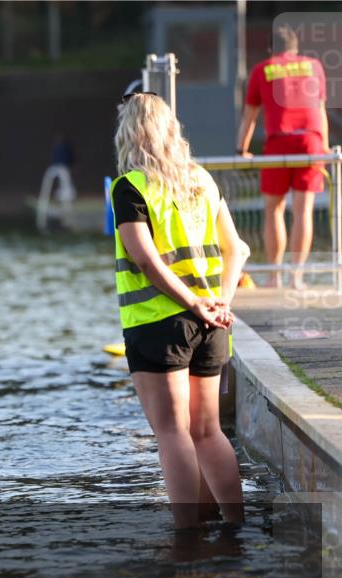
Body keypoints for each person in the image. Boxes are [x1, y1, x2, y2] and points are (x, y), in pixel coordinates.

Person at [111, 93, 246, 529]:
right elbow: (237, 250)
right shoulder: (201, 180)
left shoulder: (130, 186)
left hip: (159, 324)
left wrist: (192, 303)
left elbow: (147, 261)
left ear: (129, 134)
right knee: (208, 432)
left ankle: (186, 539)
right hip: (211, 324)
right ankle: (233, 527)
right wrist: (218, 303)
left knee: (171, 433)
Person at [236, 26, 330, 287]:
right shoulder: (314, 66)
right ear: (296, 48)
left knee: (273, 210)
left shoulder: (262, 69)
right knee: (304, 211)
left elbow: (249, 116)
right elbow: (320, 111)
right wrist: (323, 146)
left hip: (279, 143)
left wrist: (241, 150)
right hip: (311, 141)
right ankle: (296, 277)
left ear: (271, 49)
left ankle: (274, 276)